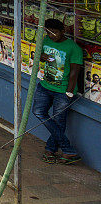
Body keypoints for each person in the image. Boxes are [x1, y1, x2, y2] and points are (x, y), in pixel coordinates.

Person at [32, 19, 83, 164]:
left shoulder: (73, 48)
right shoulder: (45, 40)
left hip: (63, 90)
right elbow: (38, 54)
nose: (51, 35)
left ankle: (51, 150)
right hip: (45, 85)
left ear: (63, 31)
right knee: (38, 111)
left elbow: (74, 73)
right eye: (48, 32)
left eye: (54, 32)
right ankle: (68, 150)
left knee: (59, 120)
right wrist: (42, 57)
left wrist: (69, 92)